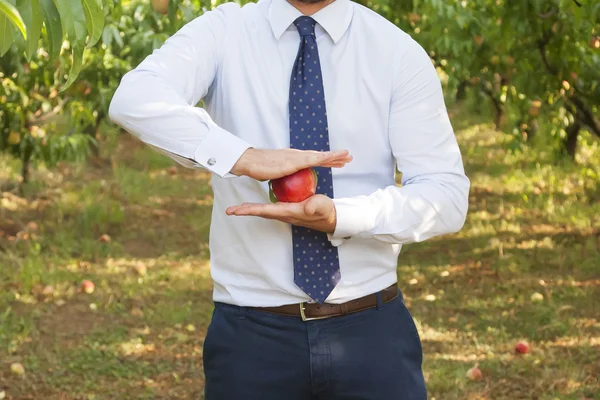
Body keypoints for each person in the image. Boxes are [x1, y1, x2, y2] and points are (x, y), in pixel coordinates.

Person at [109, 0, 470, 397]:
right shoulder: (224, 31)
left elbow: (445, 194)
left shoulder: (395, 51)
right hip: (251, 338)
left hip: (372, 331)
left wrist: (343, 216)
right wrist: (243, 158)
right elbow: (136, 99)